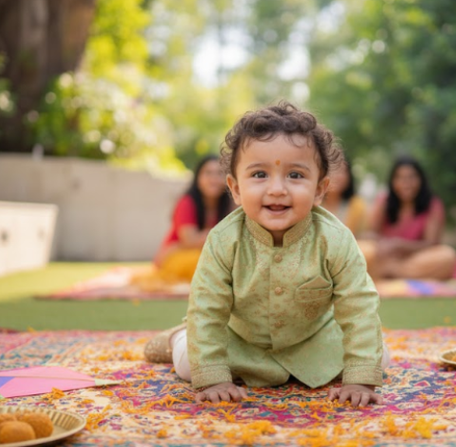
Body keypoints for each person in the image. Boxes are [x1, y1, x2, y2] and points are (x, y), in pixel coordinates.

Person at [144, 101, 388, 407]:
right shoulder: (223, 241)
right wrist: (214, 377)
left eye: (295, 175)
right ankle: (177, 337)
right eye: (259, 174)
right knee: (191, 365)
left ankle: (350, 364)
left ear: (319, 190)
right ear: (234, 188)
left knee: (379, 357)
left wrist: (360, 378)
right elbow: (207, 308)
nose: (276, 189)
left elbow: (358, 306)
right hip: (242, 342)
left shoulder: (335, 240)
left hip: (312, 340)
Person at [358, 156, 456, 281]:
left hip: (417, 258)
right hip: (387, 257)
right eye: (400, 178)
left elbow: (432, 243)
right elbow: (370, 234)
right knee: (363, 250)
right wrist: (387, 244)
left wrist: (400, 246)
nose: (406, 183)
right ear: (393, 182)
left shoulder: (432, 204)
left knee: (447, 256)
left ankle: (391, 272)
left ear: (421, 180)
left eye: (411, 177)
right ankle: (393, 271)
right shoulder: (384, 202)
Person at [151, 155, 231, 283]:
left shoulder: (228, 204)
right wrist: (222, 234)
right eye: (208, 173)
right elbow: (190, 241)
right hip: (177, 255)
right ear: (198, 178)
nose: (214, 179)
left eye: (219, 173)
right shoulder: (186, 202)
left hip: (206, 255)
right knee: (202, 263)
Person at [322, 153, 367, 237]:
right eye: (332, 170)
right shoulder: (312, 205)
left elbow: (362, 239)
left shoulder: (357, 206)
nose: (337, 176)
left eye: (342, 171)